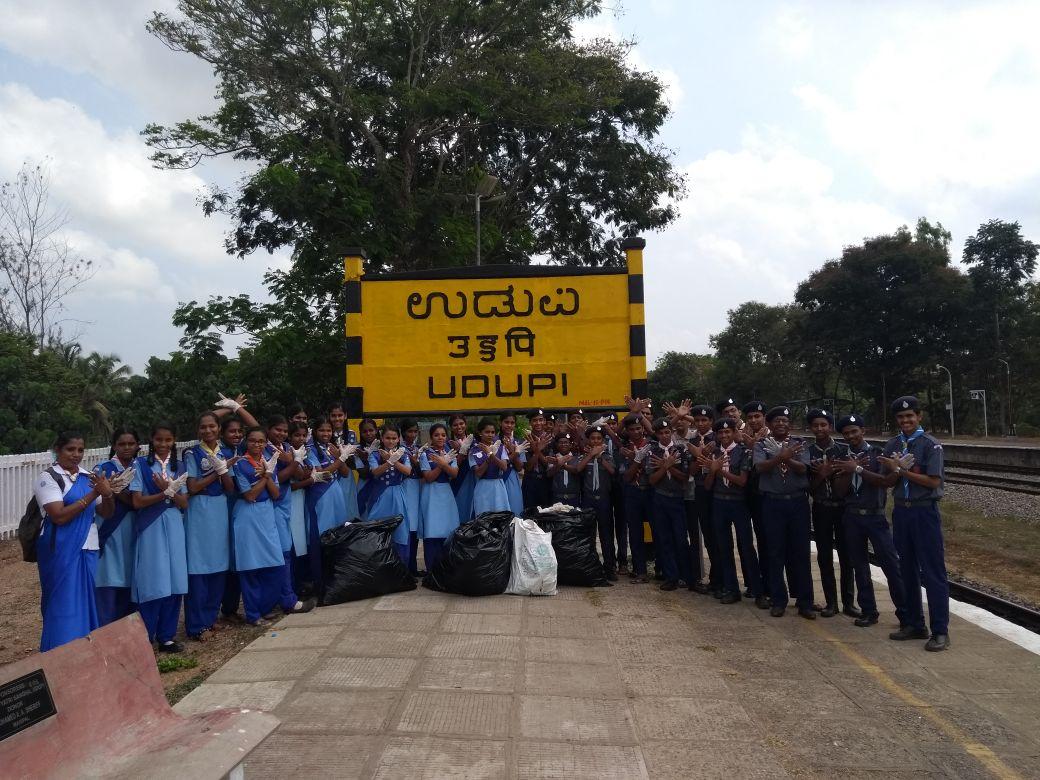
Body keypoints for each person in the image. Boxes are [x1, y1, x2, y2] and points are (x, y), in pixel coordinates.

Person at [881, 396, 950, 652]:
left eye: (910, 416)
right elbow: (887, 481)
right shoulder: (893, 444)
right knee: (906, 569)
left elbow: (934, 482)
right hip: (902, 511)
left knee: (933, 572)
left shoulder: (931, 446)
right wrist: (890, 470)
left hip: (924, 512)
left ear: (919, 417)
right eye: (901, 417)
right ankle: (914, 623)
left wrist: (901, 471)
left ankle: (940, 630)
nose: (906, 421)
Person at [35, 432, 116, 651]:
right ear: (58, 450)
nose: (76, 455)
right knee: (62, 603)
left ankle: (85, 651)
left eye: (80, 450)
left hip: (88, 546)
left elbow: (106, 513)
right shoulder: (48, 478)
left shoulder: (88, 477)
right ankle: (59, 653)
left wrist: (108, 494)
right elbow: (58, 516)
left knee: (86, 600)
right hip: (60, 548)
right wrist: (93, 494)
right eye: (70, 449)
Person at [832, 414, 909, 629]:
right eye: (846, 433)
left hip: (874, 515)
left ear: (863, 431)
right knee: (860, 566)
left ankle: (905, 612)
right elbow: (839, 491)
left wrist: (857, 469)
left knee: (891, 565)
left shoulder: (878, 454)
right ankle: (868, 610)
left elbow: (884, 482)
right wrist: (848, 470)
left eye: (854, 431)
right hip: (852, 516)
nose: (851, 436)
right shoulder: (841, 456)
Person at [130, 423, 189, 651]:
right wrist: (163, 493)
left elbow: (184, 503)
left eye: (167, 440)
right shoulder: (141, 465)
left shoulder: (179, 465)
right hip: (151, 525)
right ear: (151, 441)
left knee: (175, 579)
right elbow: (136, 501)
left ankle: (167, 636)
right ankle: (146, 636)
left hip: (174, 523)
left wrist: (171, 491)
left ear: (174, 441)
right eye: (158, 440)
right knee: (153, 580)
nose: (163, 444)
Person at [754, 406, 815, 619]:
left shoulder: (799, 444)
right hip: (773, 503)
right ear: (769, 425)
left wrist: (784, 457)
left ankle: (805, 601)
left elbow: (803, 469)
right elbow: (760, 468)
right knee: (774, 552)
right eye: (776, 421)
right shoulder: (762, 444)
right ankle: (779, 600)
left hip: (797, 503)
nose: (781, 424)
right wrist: (780, 456)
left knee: (800, 553)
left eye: (785, 421)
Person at [700, 419, 768, 607]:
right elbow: (707, 485)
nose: (724, 436)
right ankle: (731, 589)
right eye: (721, 433)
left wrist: (719, 471)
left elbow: (742, 481)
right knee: (724, 547)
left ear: (733, 432)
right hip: (719, 502)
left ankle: (758, 590)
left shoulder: (743, 452)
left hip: (738, 504)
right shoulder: (712, 453)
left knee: (746, 547)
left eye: (728, 432)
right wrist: (712, 472)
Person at [183, 413, 236, 641]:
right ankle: (196, 625)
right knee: (198, 566)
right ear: (198, 431)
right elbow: (193, 487)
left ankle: (210, 618)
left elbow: (231, 487)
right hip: (199, 511)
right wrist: (217, 472)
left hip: (219, 510)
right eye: (203, 427)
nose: (207, 431)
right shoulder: (192, 453)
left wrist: (223, 471)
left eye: (212, 426)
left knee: (218, 564)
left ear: (218, 428)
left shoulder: (225, 452)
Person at [232, 427, 288, 625]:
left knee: (274, 563)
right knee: (250, 566)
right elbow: (249, 495)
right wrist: (265, 476)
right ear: (247, 442)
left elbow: (276, 494)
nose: (257, 444)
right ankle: (253, 613)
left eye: (261, 441)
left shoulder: (268, 461)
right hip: (248, 514)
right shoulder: (240, 464)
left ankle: (265, 606)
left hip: (266, 513)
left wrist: (268, 472)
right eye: (253, 441)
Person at [806, 409, 857, 618]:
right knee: (825, 555)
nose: (820, 429)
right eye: (816, 425)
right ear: (811, 428)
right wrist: (822, 475)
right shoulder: (808, 452)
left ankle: (849, 602)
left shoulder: (844, 450)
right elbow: (807, 487)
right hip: (821, 507)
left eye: (823, 425)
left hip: (843, 507)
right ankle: (831, 602)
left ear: (830, 426)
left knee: (847, 555)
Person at [266, 417, 315, 615]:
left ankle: (286, 597)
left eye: (284, 431)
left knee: (285, 552)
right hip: (273, 505)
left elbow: (301, 474)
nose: (282, 434)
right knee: (281, 553)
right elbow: (281, 477)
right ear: (268, 429)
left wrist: (297, 464)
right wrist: (295, 463)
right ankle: (286, 600)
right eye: (277, 430)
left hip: (285, 505)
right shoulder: (267, 449)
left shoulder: (286, 447)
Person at [93, 428, 140, 627]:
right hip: (111, 530)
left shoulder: (142, 468)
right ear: (114, 446)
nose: (127, 448)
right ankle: (104, 629)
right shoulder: (102, 469)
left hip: (135, 529)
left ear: (138, 445)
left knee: (132, 580)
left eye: (131, 443)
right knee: (109, 578)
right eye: (122, 444)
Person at [647, 418, 694, 591]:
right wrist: (663, 467)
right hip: (660, 498)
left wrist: (669, 467)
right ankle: (671, 576)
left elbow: (684, 477)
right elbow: (651, 479)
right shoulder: (653, 451)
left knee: (681, 539)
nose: (665, 435)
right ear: (657, 434)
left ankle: (686, 576)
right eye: (661, 433)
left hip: (677, 498)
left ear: (671, 432)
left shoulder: (680, 449)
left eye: (667, 432)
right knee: (664, 539)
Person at [304, 417, 349, 590]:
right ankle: (320, 579)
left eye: (328, 430)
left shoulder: (331, 448)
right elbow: (320, 472)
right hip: (320, 495)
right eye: (322, 430)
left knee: (337, 532)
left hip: (336, 492)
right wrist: (339, 460)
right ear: (315, 432)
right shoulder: (310, 450)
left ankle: (335, 576)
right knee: (322, 534)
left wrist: (340, 457)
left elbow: (344, 473)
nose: (326, 433)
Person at [367, 424, 413, 563]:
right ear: (382, 438)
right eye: (388, 438)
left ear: (399, 439)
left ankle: (402, 567)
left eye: (394, 438)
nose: (391, 441)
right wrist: (389, 461)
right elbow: (375, 472)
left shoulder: (403, 454)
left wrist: (394, 461)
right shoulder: (374, 454)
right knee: (377, 527)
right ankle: (377, 566)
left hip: (398, 494)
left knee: (400, 529)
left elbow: (408, 471)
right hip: (380, 494)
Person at [578, 425, 619, 581]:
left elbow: (613, 471)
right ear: (588, 440)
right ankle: (591, 566)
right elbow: (578, 469)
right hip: (588, 498)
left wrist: (599, 457)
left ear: (603, 441)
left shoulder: (607, 456)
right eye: (593, 438)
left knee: (606, 535)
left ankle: (610, 567)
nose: (595, 441)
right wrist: (591, 456)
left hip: (603, 499)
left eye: (598, 438)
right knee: (589, 534)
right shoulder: (584, 456)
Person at [419, 423, 460, 571]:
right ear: (431, 437)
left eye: (443, 435)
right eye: (436, 435)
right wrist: (441, 465)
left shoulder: (451, 453)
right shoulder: (425, 454)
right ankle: (431, 568)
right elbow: (428, 477)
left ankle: (446, 567)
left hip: (446, 493)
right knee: (432, 529)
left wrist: (445, 462)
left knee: (448, 528)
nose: (440, 437)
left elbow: (454, 474)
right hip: (431, 494)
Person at [740, 400, 770, 598]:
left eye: (757, 416)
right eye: (750, 417)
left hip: (765, 495)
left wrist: (756, 447)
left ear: (764, 417)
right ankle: (752, 583)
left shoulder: (773, 438)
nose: (754, 420)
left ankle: (768, 584)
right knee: (745, 542)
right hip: (744, 494)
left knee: (766, 541)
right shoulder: (741, 437)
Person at [618, 414, 652, 583]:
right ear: (627, 431)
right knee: (635, 532)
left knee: (656, 531)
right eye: (631, 429)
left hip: (650, 492)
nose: (636, 432)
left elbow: (652, 471)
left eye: (638, 428)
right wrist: (637, 459)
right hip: (632, 492)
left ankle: (661, 568)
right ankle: (640, 570)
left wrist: (638, 460)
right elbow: (626, 476)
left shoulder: (651, 446)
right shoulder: (624, 449)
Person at [287, 421, 312, 592]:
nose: (301, 438)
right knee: (294, 540)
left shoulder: (305, 451)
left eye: (304, 435)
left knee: (302, 539)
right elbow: (298, 477)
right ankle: (293, 584)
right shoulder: (287, 452)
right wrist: (309, 479)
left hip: (301, 497)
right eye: (297, 435)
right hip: (290, 499)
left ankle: (301, 582)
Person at [470, 417, 512, 514]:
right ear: (480, 433)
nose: (490, 435)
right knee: (484, 517)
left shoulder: (500, 447)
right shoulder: (474, 451)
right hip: (483, 487)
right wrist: (489, 458)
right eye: (487, 432)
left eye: (492, 432)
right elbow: (478, 473)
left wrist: (491, 455)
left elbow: (504, 467)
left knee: (500, 516)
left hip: (498, 486)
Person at [400, 418, 425, 574]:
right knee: (406, 526)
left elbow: (422, 471)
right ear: (403, 432)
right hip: (405, 486)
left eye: (415, 431)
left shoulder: (418, 448)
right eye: (409, 431)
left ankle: (413, 567)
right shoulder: (400, 449)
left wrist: (418, 462)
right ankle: (405, 567)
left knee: (414, 527)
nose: (413, 434)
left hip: (417, 487)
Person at [329, 402, 361, 522]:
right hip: (330, 474)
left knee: (347, 508)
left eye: (340, 415)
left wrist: (339, 455)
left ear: (345, 416)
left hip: (346, 476)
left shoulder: (351, 434)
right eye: (333, 415)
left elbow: (351, 460)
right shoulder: (326, 432)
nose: (337, 418)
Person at [521, 409, 552, 510]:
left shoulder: (551, 439)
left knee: (547, 513)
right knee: (530, 513)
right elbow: (528, 467)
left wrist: (536, 450)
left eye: (541, 420)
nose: (538, 423)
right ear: (530, 423)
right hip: (530, 480)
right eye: (535, 420)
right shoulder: (525, 440)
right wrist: (538, 450)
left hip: (546, 480)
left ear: (545, 422)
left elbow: (549, 464)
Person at [448, 414, 475, 522]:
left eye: (461, 423)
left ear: (466, 424)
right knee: (459, 512)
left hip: (474, 478)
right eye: (455, 425)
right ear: (451, 427)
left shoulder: (475, 441)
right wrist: (461, 451)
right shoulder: (447, 444)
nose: (459, 427)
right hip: (457, 481)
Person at [499, 413, 526, 516]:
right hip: (498, 478)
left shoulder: (519, 442)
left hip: (512, 478)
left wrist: (511, 451)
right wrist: (515, 453)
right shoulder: (494, 440)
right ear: (500, 423)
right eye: (506, 422)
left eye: (512, 423)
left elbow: (519, 467)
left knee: (515, 510)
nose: (509, 425)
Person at [547, 432, 581, 506]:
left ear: (570, 444)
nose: (563, 445)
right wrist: (558, 463)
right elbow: (549, 474)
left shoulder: (577, 457)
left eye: (566, 442)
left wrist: (560, 463)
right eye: (560, 442)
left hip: (574, 496)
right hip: (557, 496)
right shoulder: (553, 457)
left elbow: (577, 470)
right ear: (556, 445)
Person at [355, 418, 379, 517]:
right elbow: (363, 473)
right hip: (365, 486)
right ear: (360, 433)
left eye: (371, 430)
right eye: (365, 431)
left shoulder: (384, 446)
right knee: (365, 515)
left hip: (380, 485)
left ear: (376, 430)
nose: (368, 433)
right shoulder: (358, 449)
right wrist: (368, 458)